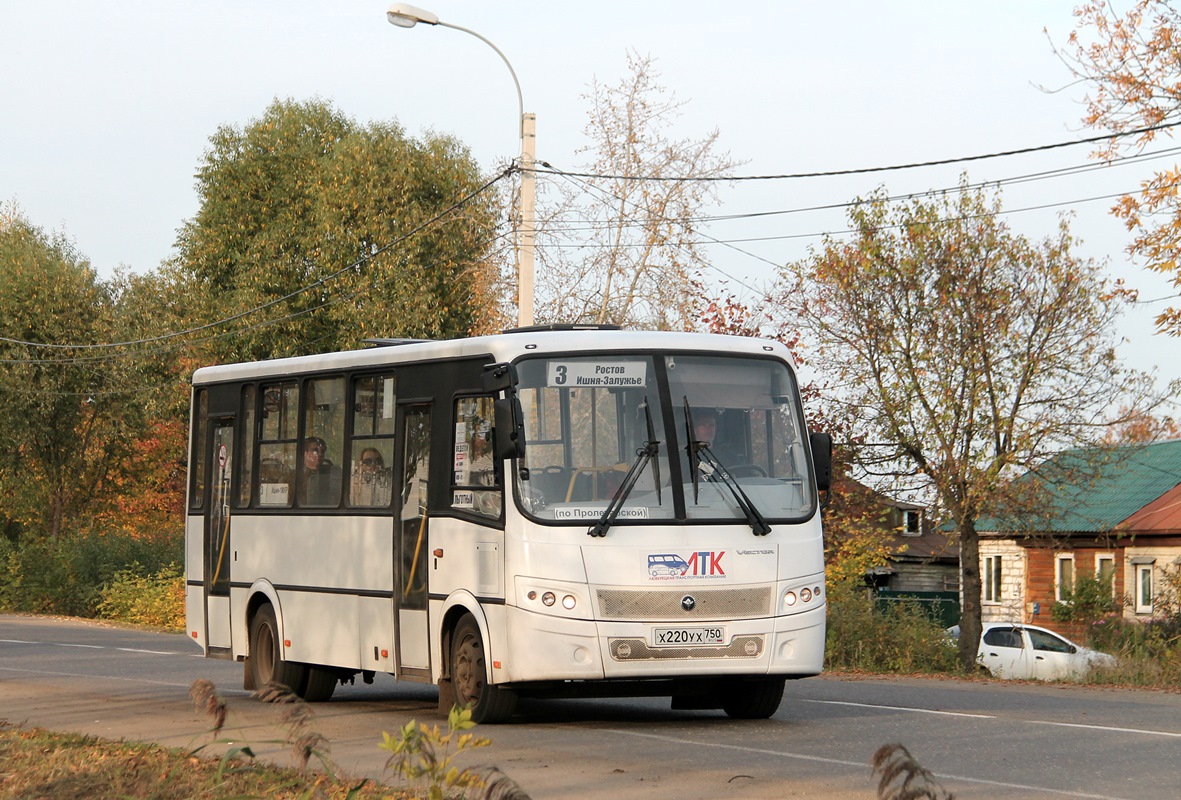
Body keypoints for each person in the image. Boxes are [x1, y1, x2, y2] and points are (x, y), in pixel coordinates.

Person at [300, 436, 342, 506]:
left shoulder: (331, 473)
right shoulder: (297, 475)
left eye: (322, 451)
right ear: (305, 453)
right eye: (315, 450)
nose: (320, 454)